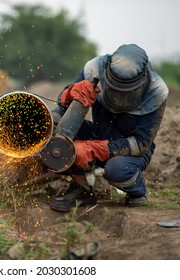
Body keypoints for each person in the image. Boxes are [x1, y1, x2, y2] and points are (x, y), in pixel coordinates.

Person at [50, 44, 168, 212]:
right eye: (114, 90)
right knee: (56, 129)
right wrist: (70, 93)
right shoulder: (94, 69)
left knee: (117, 170)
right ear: (107, 75)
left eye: (125, 93)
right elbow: (61, 107)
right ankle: (82, 190)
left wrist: (93, 149)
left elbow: (142, 143)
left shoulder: (156, 92)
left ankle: (137, 190)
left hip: (131, 150)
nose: (118, 98)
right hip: (97, 134)